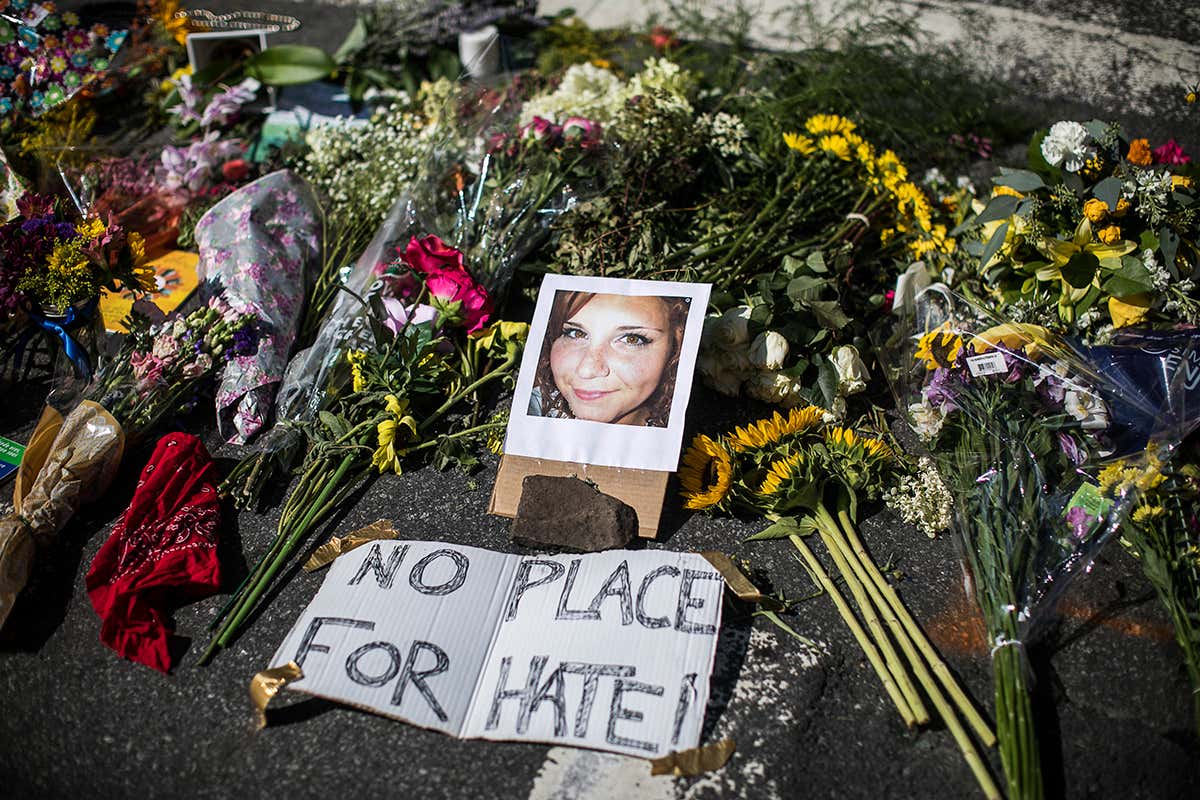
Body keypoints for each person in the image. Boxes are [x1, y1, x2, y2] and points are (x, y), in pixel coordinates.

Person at [529, 291, 689, 427]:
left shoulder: (694, 443)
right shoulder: (533, 408)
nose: (587, 370)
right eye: (576, 333)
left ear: (676, 345)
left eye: (631, 339)